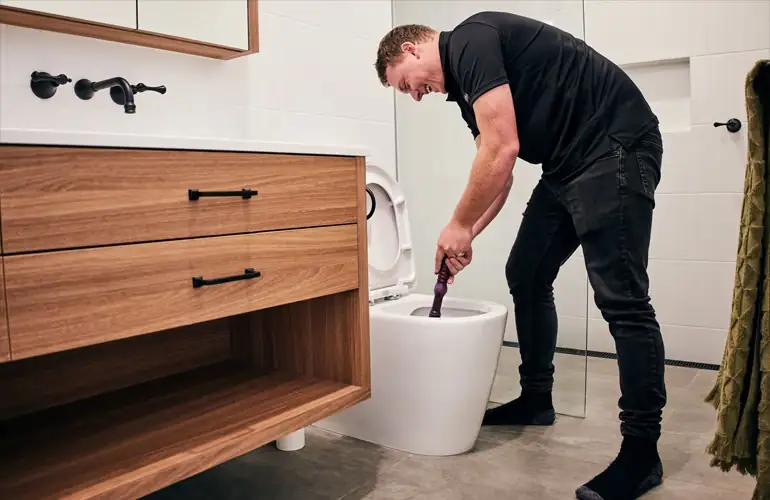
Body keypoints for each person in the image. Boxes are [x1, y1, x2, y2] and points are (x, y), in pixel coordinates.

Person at [374, 11, 667, 500]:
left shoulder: (470, 39)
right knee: (526, 272)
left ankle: (642, 453)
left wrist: (459, 226)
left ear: (410, 50)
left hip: (615, 145)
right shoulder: (467, 95)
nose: (413, 95)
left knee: (622, 299)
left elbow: (503, 148)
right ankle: (536, 398)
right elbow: (499, 175)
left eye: (405, 84)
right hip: (569, 163)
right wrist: (466, 235)